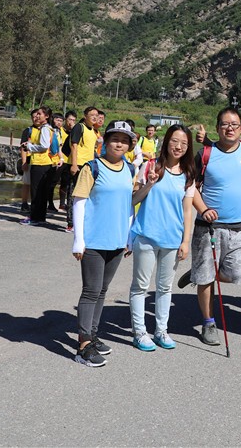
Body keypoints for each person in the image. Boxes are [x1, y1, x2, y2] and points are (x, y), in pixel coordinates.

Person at [128, 125, 204, 351]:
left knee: (164, 287)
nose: (178, 146)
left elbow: (188, 210)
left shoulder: (188, 175)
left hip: (172, 239)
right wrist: (150, 183)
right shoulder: (151, 166)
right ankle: (139, 332)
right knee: (140, 286)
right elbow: (133, 200)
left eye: (184, 143)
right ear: (166, 142)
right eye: (174, 141)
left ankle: (161, 330)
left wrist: (185, 241)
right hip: (147, 235)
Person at [70, 120, 137, 367]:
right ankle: (83, 345)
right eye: (114, 138)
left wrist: (129, 237)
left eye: (124, 139)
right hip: (94, 241)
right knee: (90, 290)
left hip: (117, 240)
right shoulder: (93, 167)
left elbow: (128, 204)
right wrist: (79, 239)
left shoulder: (130, 169)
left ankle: (93, 334)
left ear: (130, 144)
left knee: (102, 290)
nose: (119, 143)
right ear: (105, 141)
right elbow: (79, 201)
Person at [188, 108, 241, 347]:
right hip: (208, 227)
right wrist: (203, 208)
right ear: (217, 128)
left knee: (237, 273)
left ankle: (197, 273)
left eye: (234, 124)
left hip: (239, 227)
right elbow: (189, 185)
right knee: (206, 277)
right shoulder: (206, 153)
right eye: (225, 124)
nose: (230, 128)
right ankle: (208, 322)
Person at [68, 107, 101, 232]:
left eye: (96, 115)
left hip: (89, 165)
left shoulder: (93, 130)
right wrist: (74, 164)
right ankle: (71, 222)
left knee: (86, 194)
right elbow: (74, 145)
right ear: (85, 115)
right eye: (91, 114)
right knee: (75, 194)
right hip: (79, 164)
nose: (94, 117)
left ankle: (82, 221)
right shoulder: (79, 127)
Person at [22, 107, 56, 226]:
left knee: (36, 191)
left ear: (46, 116)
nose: (37, 115)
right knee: (42, 192)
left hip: (40, 162)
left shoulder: (45, 129)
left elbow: (44, 146)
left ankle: (35, 217)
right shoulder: (50, 128)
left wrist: (29, 147)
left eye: (40, 113)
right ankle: (40, 217)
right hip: (46, 163)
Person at [58, 110, 77, 210]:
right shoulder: (59, 130)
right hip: (59, 160)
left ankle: (62, 203)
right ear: (66, 120)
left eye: (74, 120)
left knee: (65, 183)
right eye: (70, 119)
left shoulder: (75, 132)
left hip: (69, 161)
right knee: (54, 182)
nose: (71, 122)